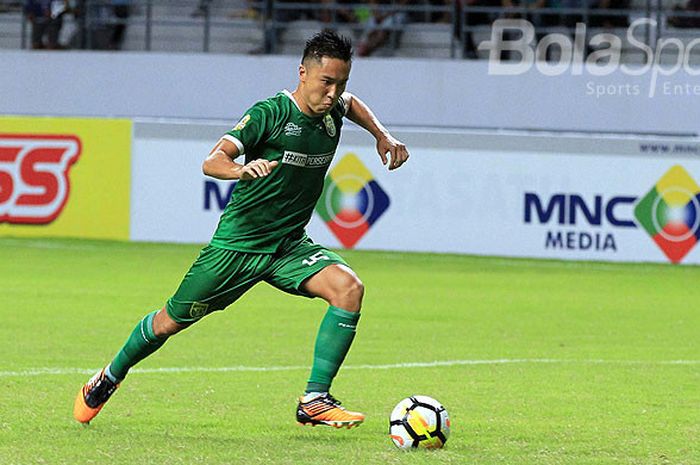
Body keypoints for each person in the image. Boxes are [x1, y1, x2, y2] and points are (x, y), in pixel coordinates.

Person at [73, 29, 410, 429]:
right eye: (326, 82)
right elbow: (211, 160)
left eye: (341, 83)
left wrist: (382, 134)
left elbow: (352, 104)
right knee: (168, 322)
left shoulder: (334, 108)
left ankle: (315, 399)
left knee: (349, 288)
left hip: (288, 246)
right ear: (302, 73)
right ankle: (110, 376)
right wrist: (240, 170)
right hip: (237, 247)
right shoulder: (270, 114)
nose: (333, 93)